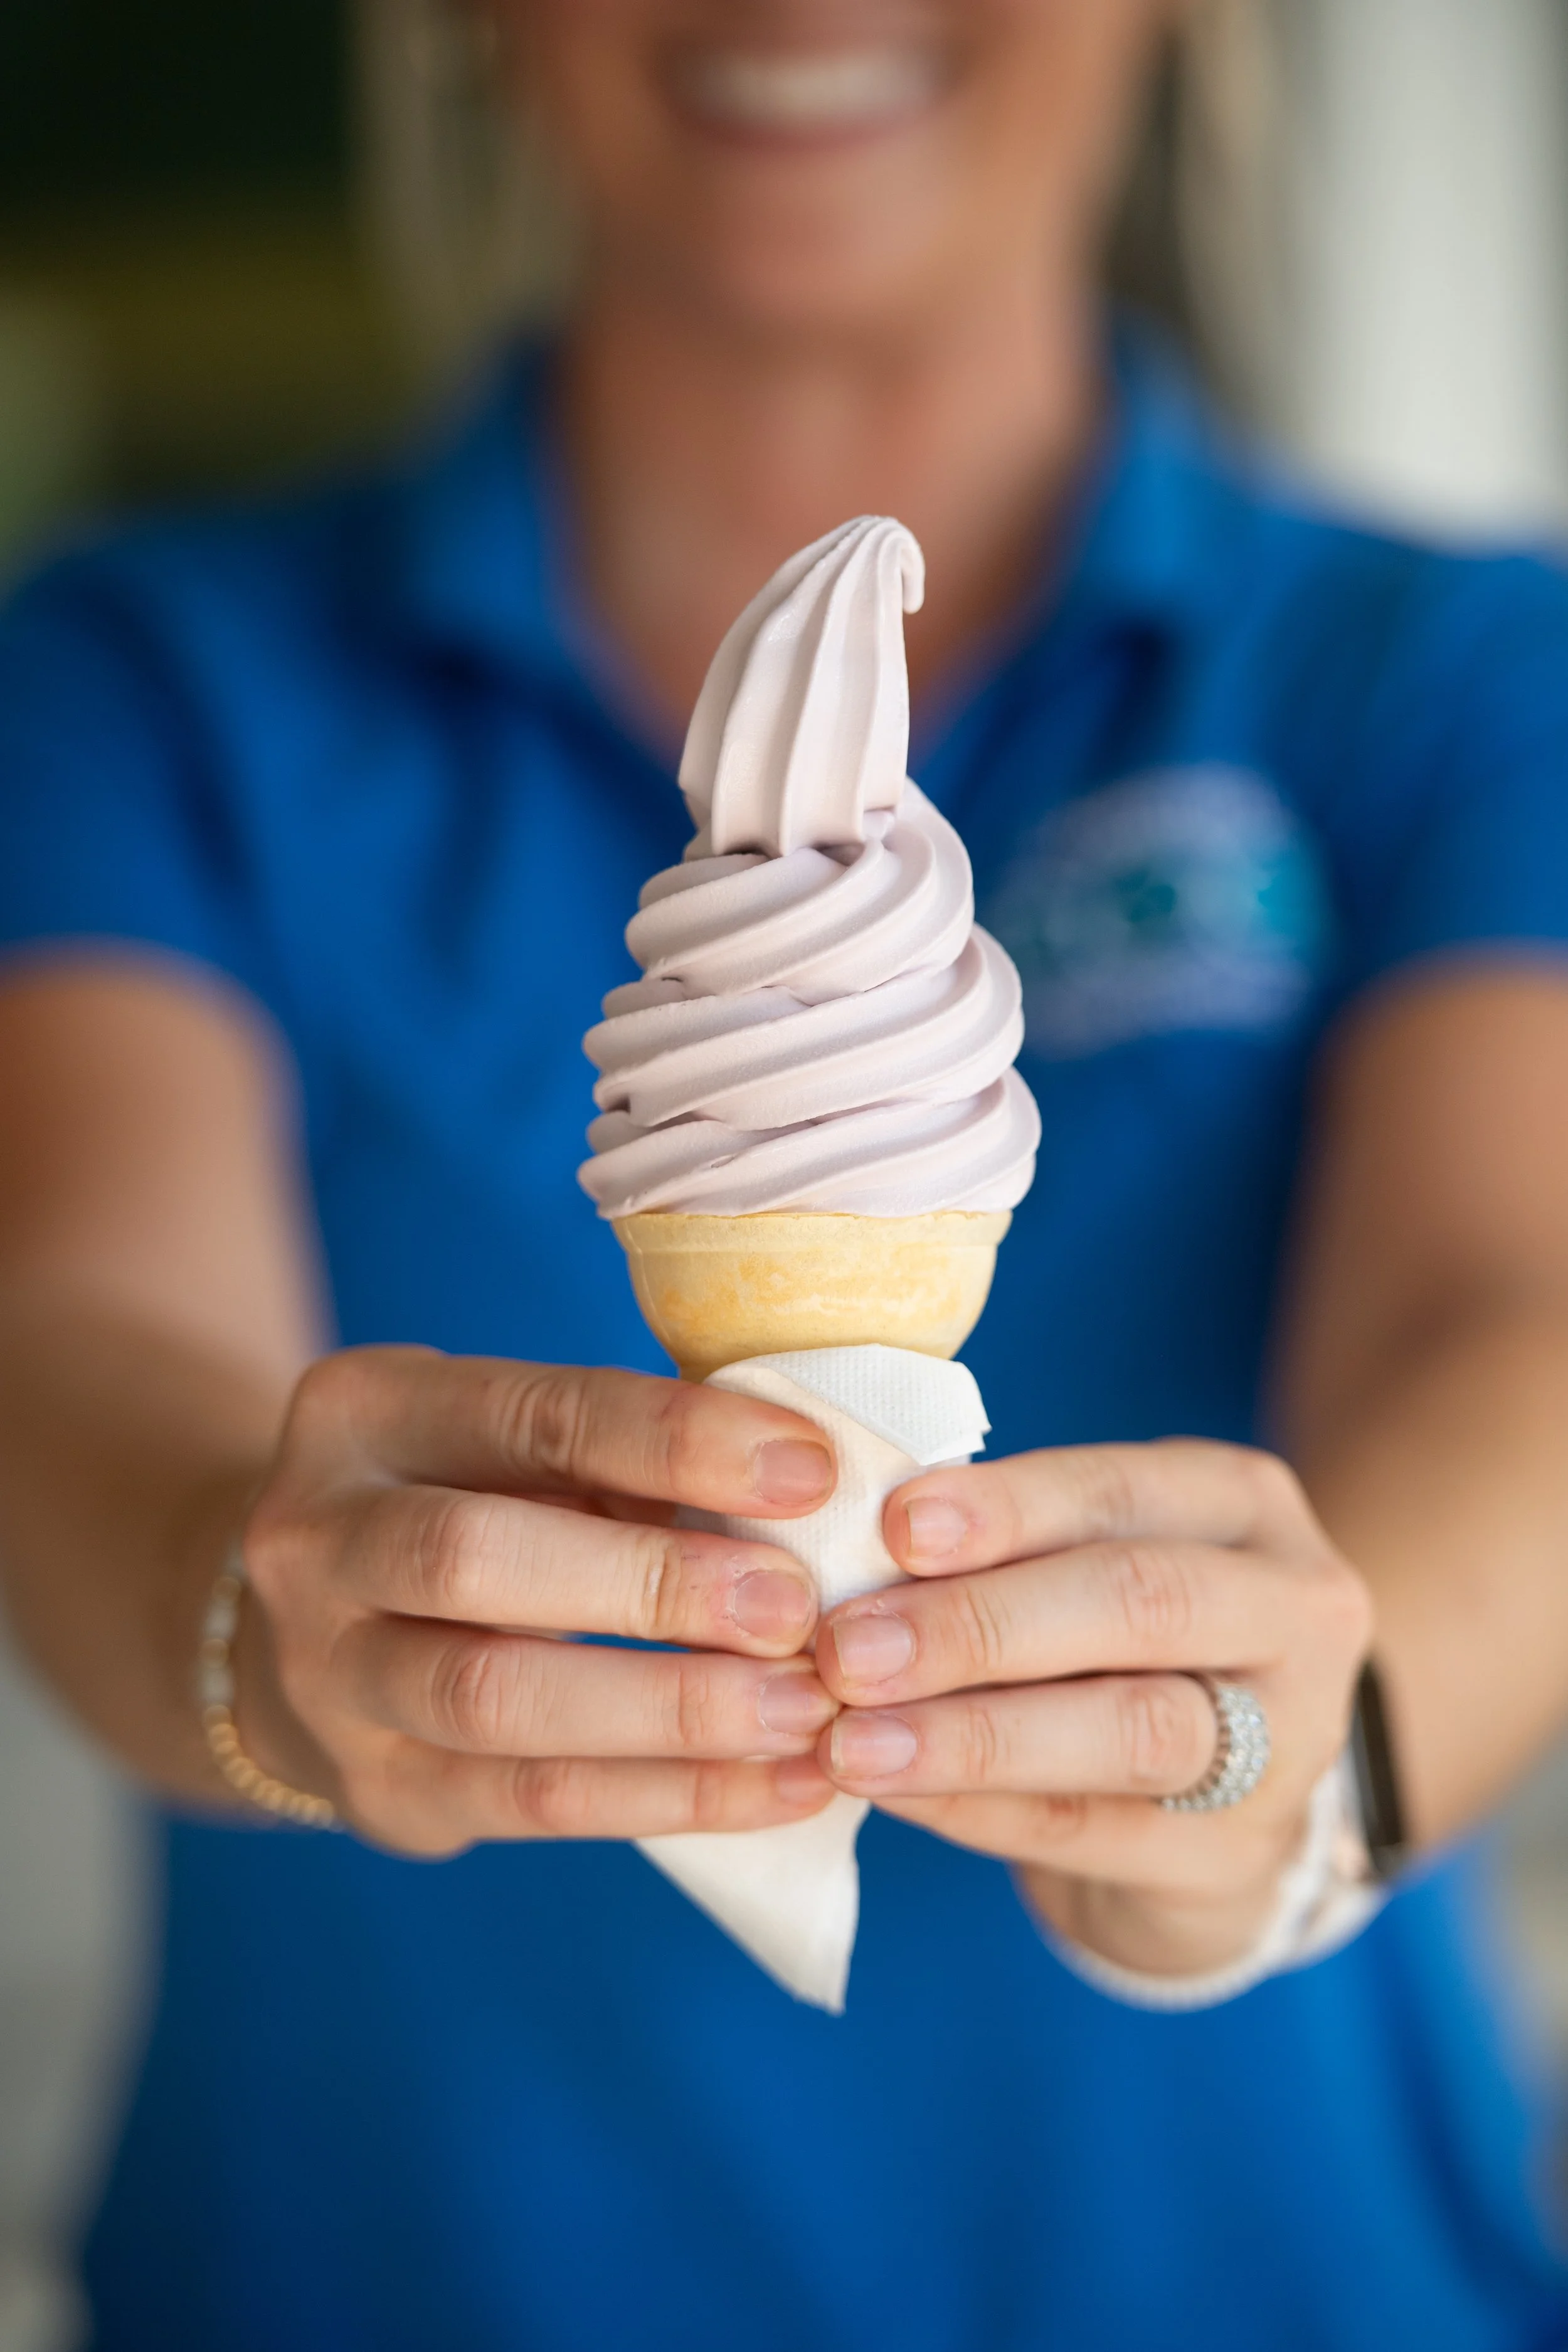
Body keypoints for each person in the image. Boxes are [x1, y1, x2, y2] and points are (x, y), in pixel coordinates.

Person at [3, 2, 1568, 2344]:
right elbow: (75, 1329)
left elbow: (1509, 1318)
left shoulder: (1454, 670)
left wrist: (1299, 1776)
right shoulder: (134, 678)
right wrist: (271, 1623)